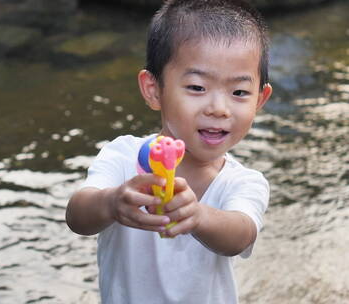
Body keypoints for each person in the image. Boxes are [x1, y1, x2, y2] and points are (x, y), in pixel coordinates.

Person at [65, 0, 273, 303]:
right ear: (154, 89)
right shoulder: (123, 156)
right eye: (197, 87)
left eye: (239, 92)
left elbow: (239, 236)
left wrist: (198, 215)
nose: (218, 108)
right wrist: (111, 202)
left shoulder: (243, 182)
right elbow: (77, 217)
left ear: (259, 100)